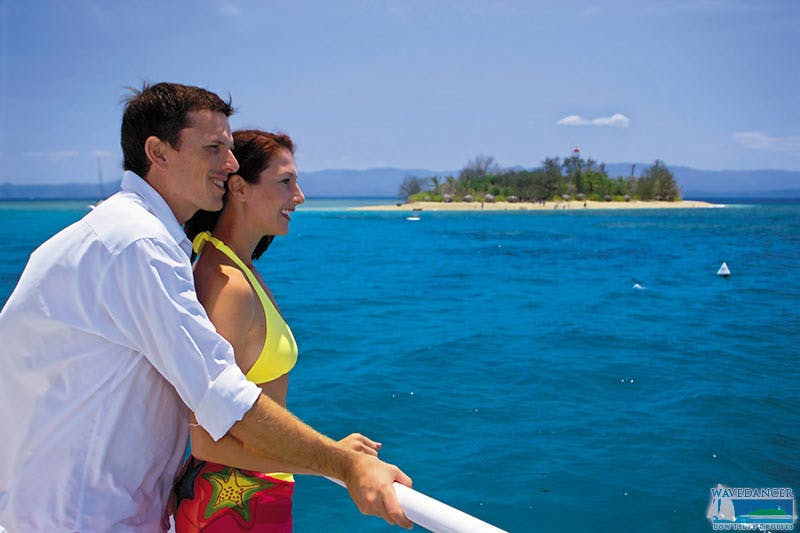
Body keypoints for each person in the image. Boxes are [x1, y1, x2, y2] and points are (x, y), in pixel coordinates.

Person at [0, 82, 411, 532]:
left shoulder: (130, 238)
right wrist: (344, 466)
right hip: (81, 519)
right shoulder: (137, 245)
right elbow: (220, 398)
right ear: (157, 152)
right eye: (214, 148)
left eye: (231, 149)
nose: (230, 164)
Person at [173, 130, 379, 531]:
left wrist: (327, 456)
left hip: (245, 496)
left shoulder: (235, 267)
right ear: (240, 189)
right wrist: (329, 461)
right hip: (231, 504)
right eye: (285, 182)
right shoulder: (228, 284)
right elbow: (206, 440)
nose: (298, 196)